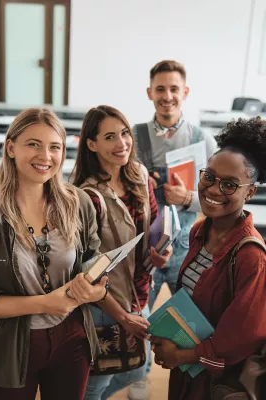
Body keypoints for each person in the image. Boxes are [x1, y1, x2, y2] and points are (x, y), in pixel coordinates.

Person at [0, 107, 109, 400]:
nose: (45, 156)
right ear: (10, 147)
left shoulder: (79, 203)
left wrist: (94, 290)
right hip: (9, 347)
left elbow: (95, 267)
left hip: (72, 340)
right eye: (33, 144)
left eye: (54, 147)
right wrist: (45, 303)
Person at [151, 117, 266, 400]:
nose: (213, 190)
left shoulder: (251, 256)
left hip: (217, 382)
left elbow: (242, 338)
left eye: (229, 185)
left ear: (249, 192)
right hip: (188, 370)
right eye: (209, 177)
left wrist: (183, 355)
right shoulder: (200, 230)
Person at [129, 60, 218, 400]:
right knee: (139, 314)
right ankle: (139, 375)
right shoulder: (133, 135)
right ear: (150, 93)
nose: (167, 96)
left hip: (187, 247)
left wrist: (190, 198)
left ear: (185, 92)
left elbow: (221, 198)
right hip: (143, 247)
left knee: (190, 320)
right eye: (161, 89)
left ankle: (187, 382)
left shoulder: (203, 139)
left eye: (174, 89)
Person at [73, 105, 172, 400]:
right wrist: (122, 316)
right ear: (91, 145)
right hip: (105, 302)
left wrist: (160, 255)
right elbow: (83, 271)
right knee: (96, 383)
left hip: (140, 292)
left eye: (125, 133)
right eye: (110, 137)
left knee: (138, 369)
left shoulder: (139, 174)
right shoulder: (85, 196)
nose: (122, 143)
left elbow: (154, 220)